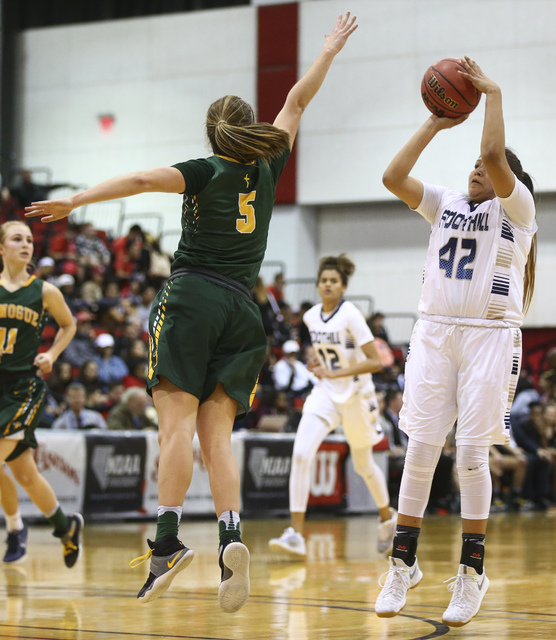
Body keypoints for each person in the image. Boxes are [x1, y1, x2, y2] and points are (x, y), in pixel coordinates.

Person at [25, 12, 358, 613]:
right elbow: (296, 100)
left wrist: (75, 199)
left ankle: (168, 544)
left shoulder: (207, 170)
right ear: (246, 128)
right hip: (244, 312)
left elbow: (137, 178)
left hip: (194, 298)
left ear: (211, 134)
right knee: (218, 439)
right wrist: (329, 50)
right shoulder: (268, 164)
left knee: (175, 427)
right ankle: (232, 534)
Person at [374, 57, 537, 627]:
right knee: (420, 448)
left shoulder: (518, 211)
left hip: (490, 337)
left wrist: (491, 93)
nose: (476, 168)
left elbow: (495, 155)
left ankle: (472, 573)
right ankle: (403, 562)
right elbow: (393, 178)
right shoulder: (445, 203)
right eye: (468, 164)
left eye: (483, 167)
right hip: (435, 332)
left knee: (470, 455)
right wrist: (435, 123)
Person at [269, 255, 396, 558]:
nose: (327, 284)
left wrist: (335, 371)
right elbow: (319, 352)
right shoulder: (311, 317)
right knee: (300, 454)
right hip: (325, 392)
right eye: (323, 280)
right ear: (317, 285)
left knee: (363, 464)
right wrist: (314, 361)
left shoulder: (351, 314)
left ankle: (387, 518)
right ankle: (295, 534)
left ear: (343, 286)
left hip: (356, 394)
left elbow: (375, 361)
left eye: (333, 281)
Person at [0, 221, 83, 568]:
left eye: (30, 240)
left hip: (23, 388)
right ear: (2, 247)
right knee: (24, 473)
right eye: (17, 239)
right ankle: (66, 527)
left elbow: (69, 324)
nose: (26, 244)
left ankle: (15, 528)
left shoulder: (45, 291)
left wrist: (51, 354)